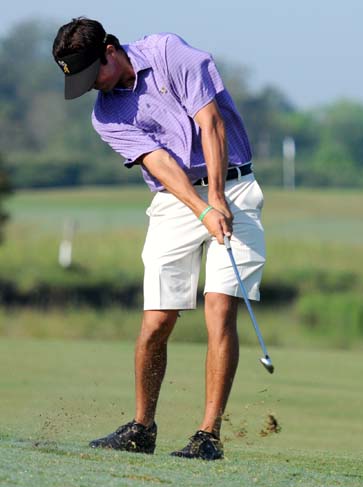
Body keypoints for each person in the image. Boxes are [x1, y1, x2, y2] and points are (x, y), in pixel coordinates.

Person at [52, 17, 266, 460]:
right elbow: (160, 163)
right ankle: (142, 428)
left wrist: (219, 197)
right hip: (175, 202)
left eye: (97, 74)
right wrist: (203, 208)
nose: (95, 87)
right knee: (156, 323)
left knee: (219, 307)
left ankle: (208, 435)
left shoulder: (171, 54)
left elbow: (211, 124)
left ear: (110, 50)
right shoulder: (106, 114)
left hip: (235, 187)